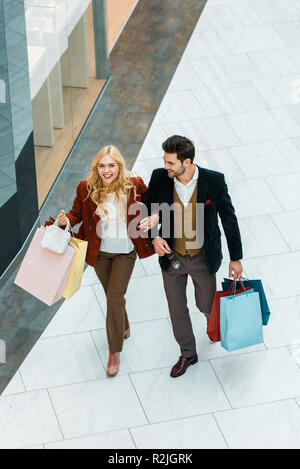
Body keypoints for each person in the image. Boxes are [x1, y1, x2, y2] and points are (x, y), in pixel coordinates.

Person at [143, 135, 243, 378]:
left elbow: (228, 219)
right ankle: (188, 353)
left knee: (206, 304)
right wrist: (154, 237)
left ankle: (212, 326)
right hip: (171, 256)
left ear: (186, 162)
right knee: (177, 309)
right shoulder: (160, 177)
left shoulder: (213, 181)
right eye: (165, 162)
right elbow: (146, 209)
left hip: (201, 257)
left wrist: (236, 258)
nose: (166, 167)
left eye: (171, 163)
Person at [53, 145, 156, 377]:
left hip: (125, 253)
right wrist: (63, 220)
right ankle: (124, 324)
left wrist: (153, 219)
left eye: (111, 165)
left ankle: (114, 351)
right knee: (112, 295)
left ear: (119, 166)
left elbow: (152, 205)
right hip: (99, 254)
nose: (106, 170)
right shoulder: (85, 187)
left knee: (114, 297)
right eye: (102, 166)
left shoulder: (135, 185)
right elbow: (75, 215)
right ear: (96, 167)